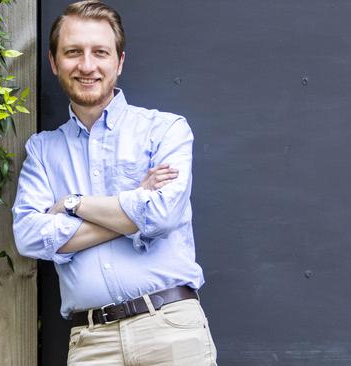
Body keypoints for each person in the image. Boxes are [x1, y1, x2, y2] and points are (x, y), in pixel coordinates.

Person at [12, 1, 217, 364]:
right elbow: (29, 235)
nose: (87, 65)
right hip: (92, 343)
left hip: (169, 328)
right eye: (73, 52)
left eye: (100, 53)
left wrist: (73, 203)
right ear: (54, 62)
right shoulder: (42, 151)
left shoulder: (165, 130)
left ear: (119, 62)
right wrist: (135, 204)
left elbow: (163, 215)